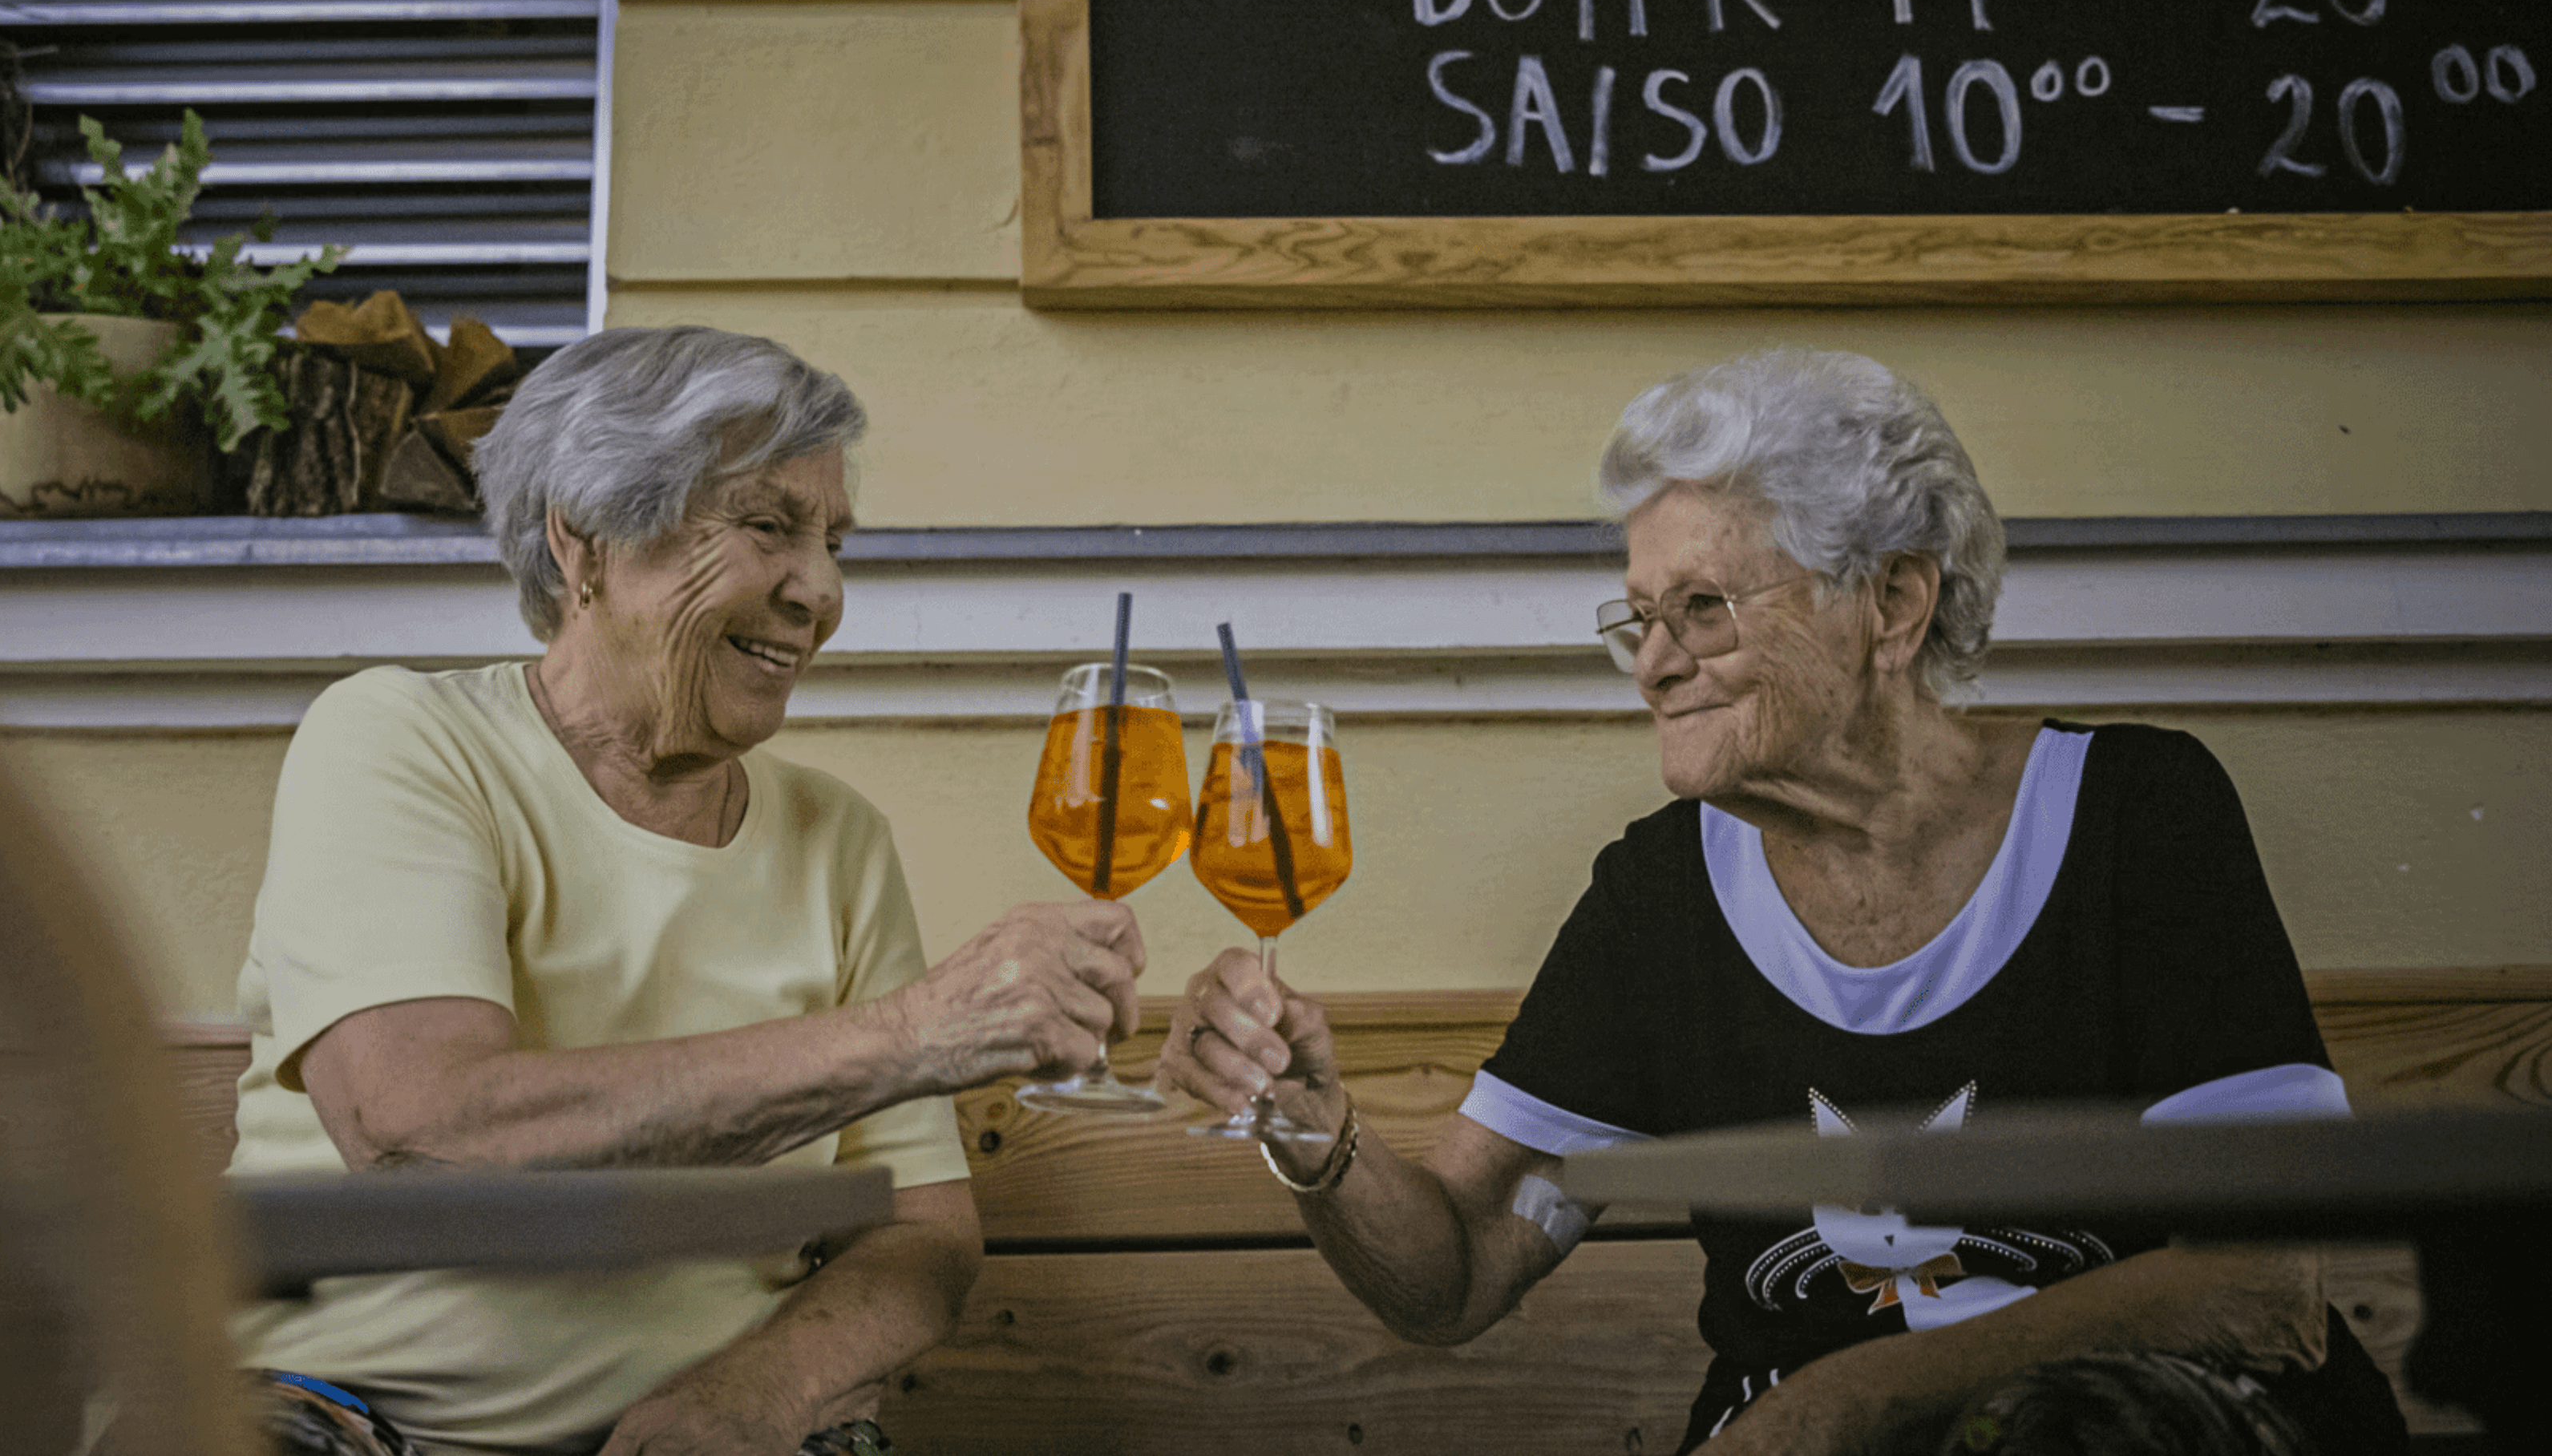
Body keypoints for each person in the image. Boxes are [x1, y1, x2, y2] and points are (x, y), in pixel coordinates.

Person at [1158, 348, 2407, 1455]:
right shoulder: (1658, 897)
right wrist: (1317, 1138)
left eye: (1703, 606)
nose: (1653, 663)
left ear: (1895, 603)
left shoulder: (2139, 815)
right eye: (1638, 617)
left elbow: (2264, 1282)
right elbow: (1458, 1273)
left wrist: (1853, 1400)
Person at [224, 326, 1147, 1456]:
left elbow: (925, 1233)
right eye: (769, 525)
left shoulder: (836, 840)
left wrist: (763, 1387)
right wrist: (912, 1033)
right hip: (338, 1416)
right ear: (588, 541)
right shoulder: (401, 740)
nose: (820, 591)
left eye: (834, 541)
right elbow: (421, 1133)